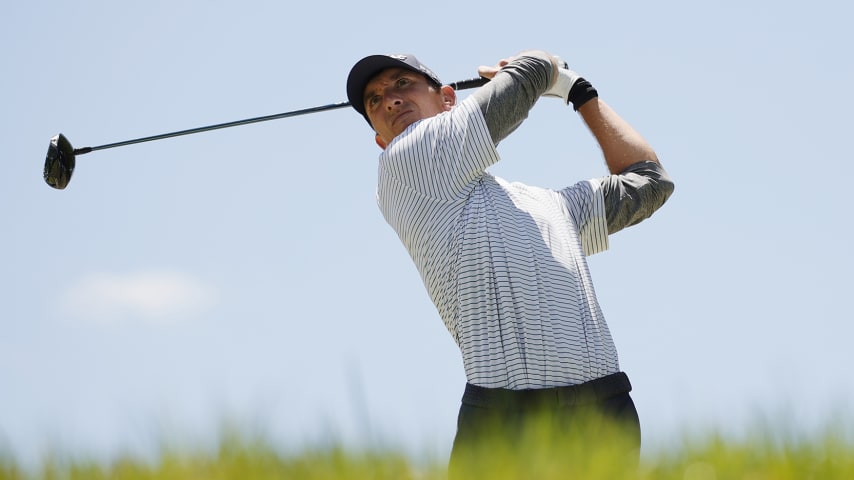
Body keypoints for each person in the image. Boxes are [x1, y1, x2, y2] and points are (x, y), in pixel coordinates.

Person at [346, 50, 674, 476]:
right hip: (505, 417)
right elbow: (532, 71)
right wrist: (550, 72)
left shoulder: (548, 205)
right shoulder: (405, 160)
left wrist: (580, 93)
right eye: (374, 100)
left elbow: (649, 181)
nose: (389, 100)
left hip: (604, 409)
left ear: (449, 99)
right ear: (379, 139)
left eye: (402, 84)